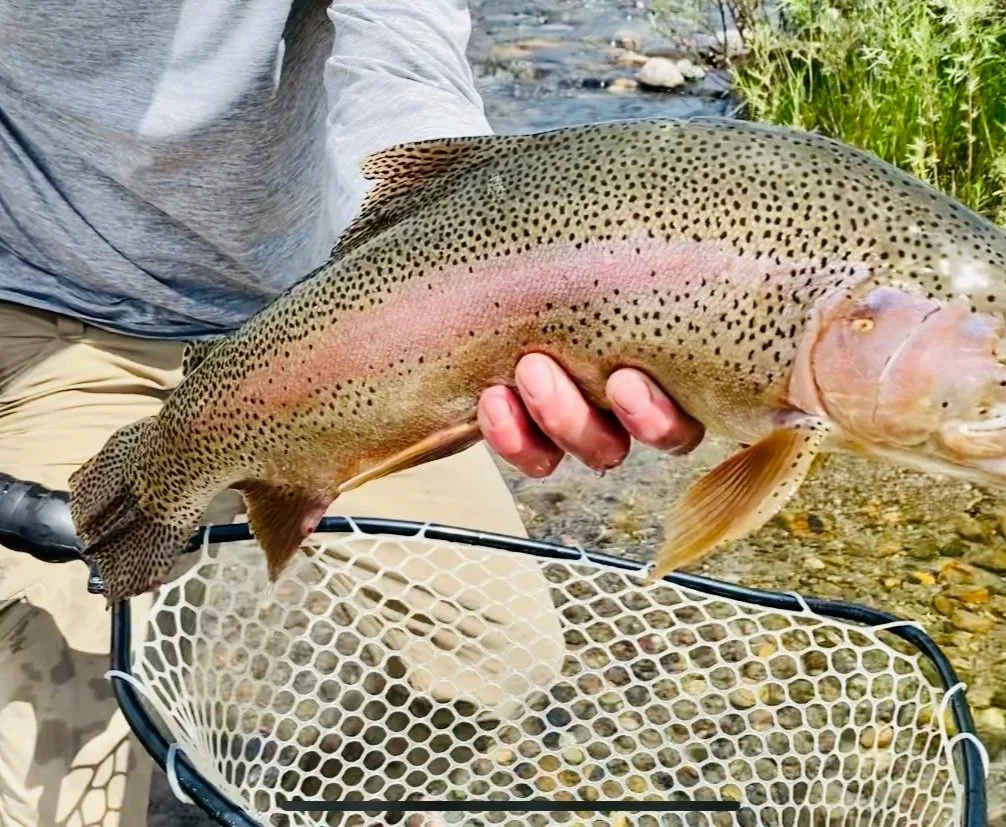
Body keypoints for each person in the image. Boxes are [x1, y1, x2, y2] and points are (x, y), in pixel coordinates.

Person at [0, 2, 703, 825]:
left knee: (491, 659)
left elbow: (401, 61)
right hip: (53, 310)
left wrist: (481, 266)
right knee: (48, 751)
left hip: (320, 322)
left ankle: (248, 797)